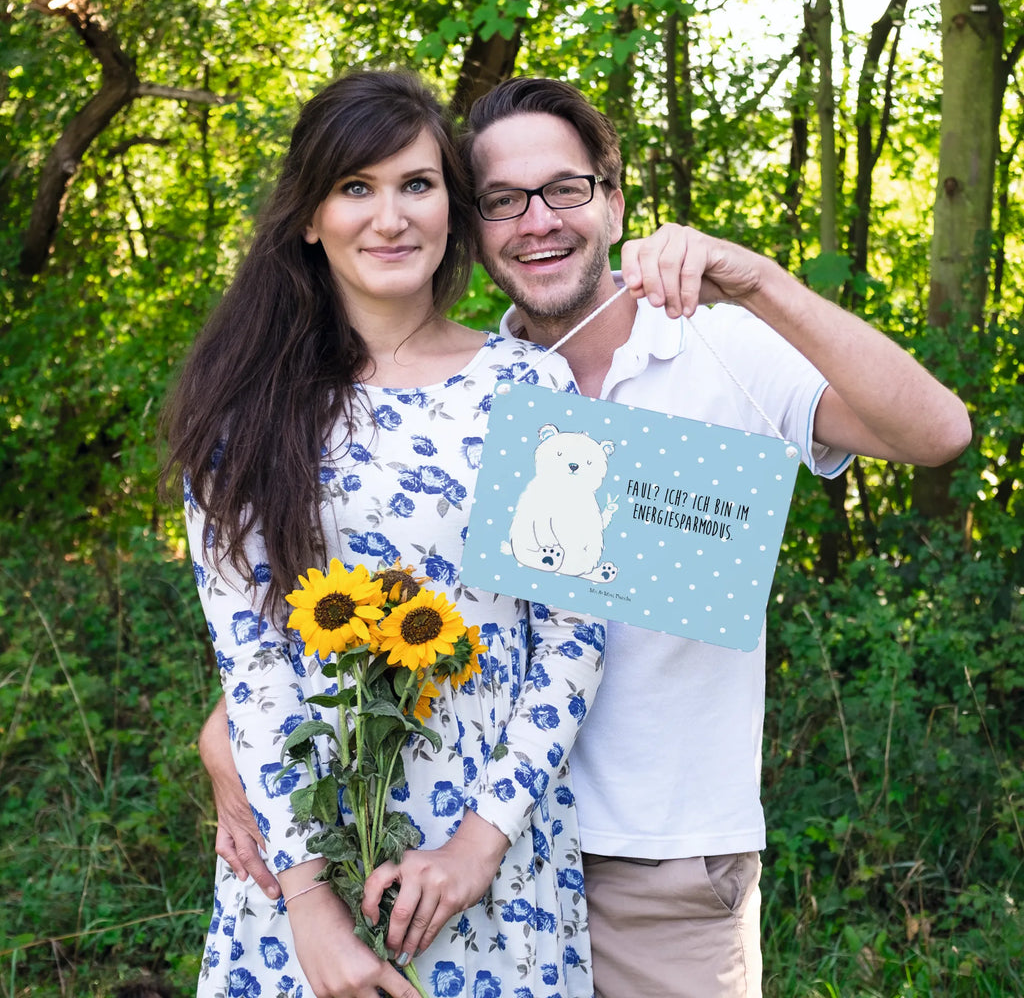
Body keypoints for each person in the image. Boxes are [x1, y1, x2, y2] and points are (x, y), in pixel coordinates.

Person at [202, 77, 972, 998]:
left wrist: (757, 279)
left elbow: (939, 434)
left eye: (564, 189)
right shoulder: (469, 388)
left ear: (613, 200)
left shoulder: (710, 349)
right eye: (503, 200)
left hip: (652, 862)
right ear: (474, 223)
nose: (537, 221)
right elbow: (343, 600)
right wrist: (232, 731)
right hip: (427, 848)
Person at [163, 70, 611, 998]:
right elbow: (253, 664)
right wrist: (311, 909)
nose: (391, 217)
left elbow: (573, 638)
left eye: (417, 184)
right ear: (309, 216)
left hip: (491, 855)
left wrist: (478, 847)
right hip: (304, 852)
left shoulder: (529, 386)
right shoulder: (244, 412)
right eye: (355, 187)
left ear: (453, 205)